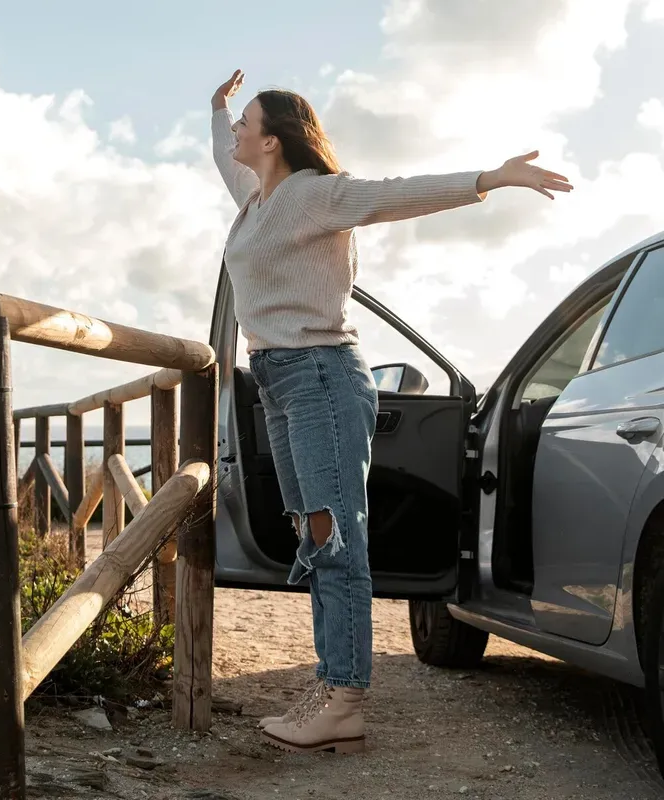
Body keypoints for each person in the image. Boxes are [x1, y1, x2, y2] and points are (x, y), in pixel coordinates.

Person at [209, 68, 571, 756]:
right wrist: (216, 106)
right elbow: (218, 154)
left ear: (275, 140)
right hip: (279, 381)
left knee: (334, 536)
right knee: (310, 535)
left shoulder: (316, 195)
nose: (234, 135)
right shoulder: (256, 198)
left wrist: (489, 179)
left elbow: (396, 196)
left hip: (320, 376)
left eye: (243, 125)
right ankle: (330, 682)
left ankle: (344, 700)